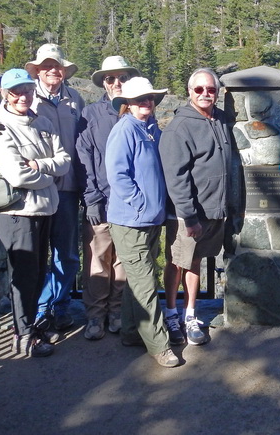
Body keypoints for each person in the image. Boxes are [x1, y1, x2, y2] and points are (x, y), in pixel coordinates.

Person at [0, 68, 70, 358]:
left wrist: (39, 166)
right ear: (4, 94)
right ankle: (23, 337)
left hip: (44, 209)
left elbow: (64, 161)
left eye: (27, 91)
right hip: (18, 213)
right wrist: (48, 174)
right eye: (15, 91)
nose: (23, 96)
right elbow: (17, 176)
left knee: (36, 273)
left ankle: (29, 327)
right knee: (23, 276)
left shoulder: (42, 121)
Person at [105, 76, 179, 368]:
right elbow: (118, 175)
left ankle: (130, 332)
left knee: (138, 282)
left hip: (149, 220)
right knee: (146, 283)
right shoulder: (124, 130)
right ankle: (159, 345)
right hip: (131, 221)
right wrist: (139, 204)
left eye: (149, 98)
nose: (146, 103)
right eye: (139, 100)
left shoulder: (150, 129)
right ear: (127, 104)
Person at [159, 68, 233, 347]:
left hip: (213, 210)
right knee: (177, 262)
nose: (205, 94)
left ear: (217, 92)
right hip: (188, 214)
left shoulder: (220, 120)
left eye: (211, 90)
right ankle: (170, 314)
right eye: (199, 89)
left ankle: (190, 313)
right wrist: (189, 217)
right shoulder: (179, 127)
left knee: (195, 262)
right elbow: (176, 177)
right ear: (189, 92)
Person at [76, 56, 141, 340]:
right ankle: (95, 315)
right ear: (103, 82)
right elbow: (84, 157)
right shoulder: (91, 114)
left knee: (123, 262)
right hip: (101, 200)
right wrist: (91, 197)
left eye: (122, 78)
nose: (117, 83)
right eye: (110, 78)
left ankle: (116, 311)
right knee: (98, 260)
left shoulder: (139, 110)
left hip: (129, 204)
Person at [24, 43, 85, 336]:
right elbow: (0, 129)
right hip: (35, 188)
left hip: (68, 188)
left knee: (67, 254)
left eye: (57, 65)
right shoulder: (25, 97)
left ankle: (58, 308)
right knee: (35, 254)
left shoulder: (75, 99)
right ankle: (37, 311)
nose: (53, 70)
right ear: (37, 70)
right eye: (46, 65)